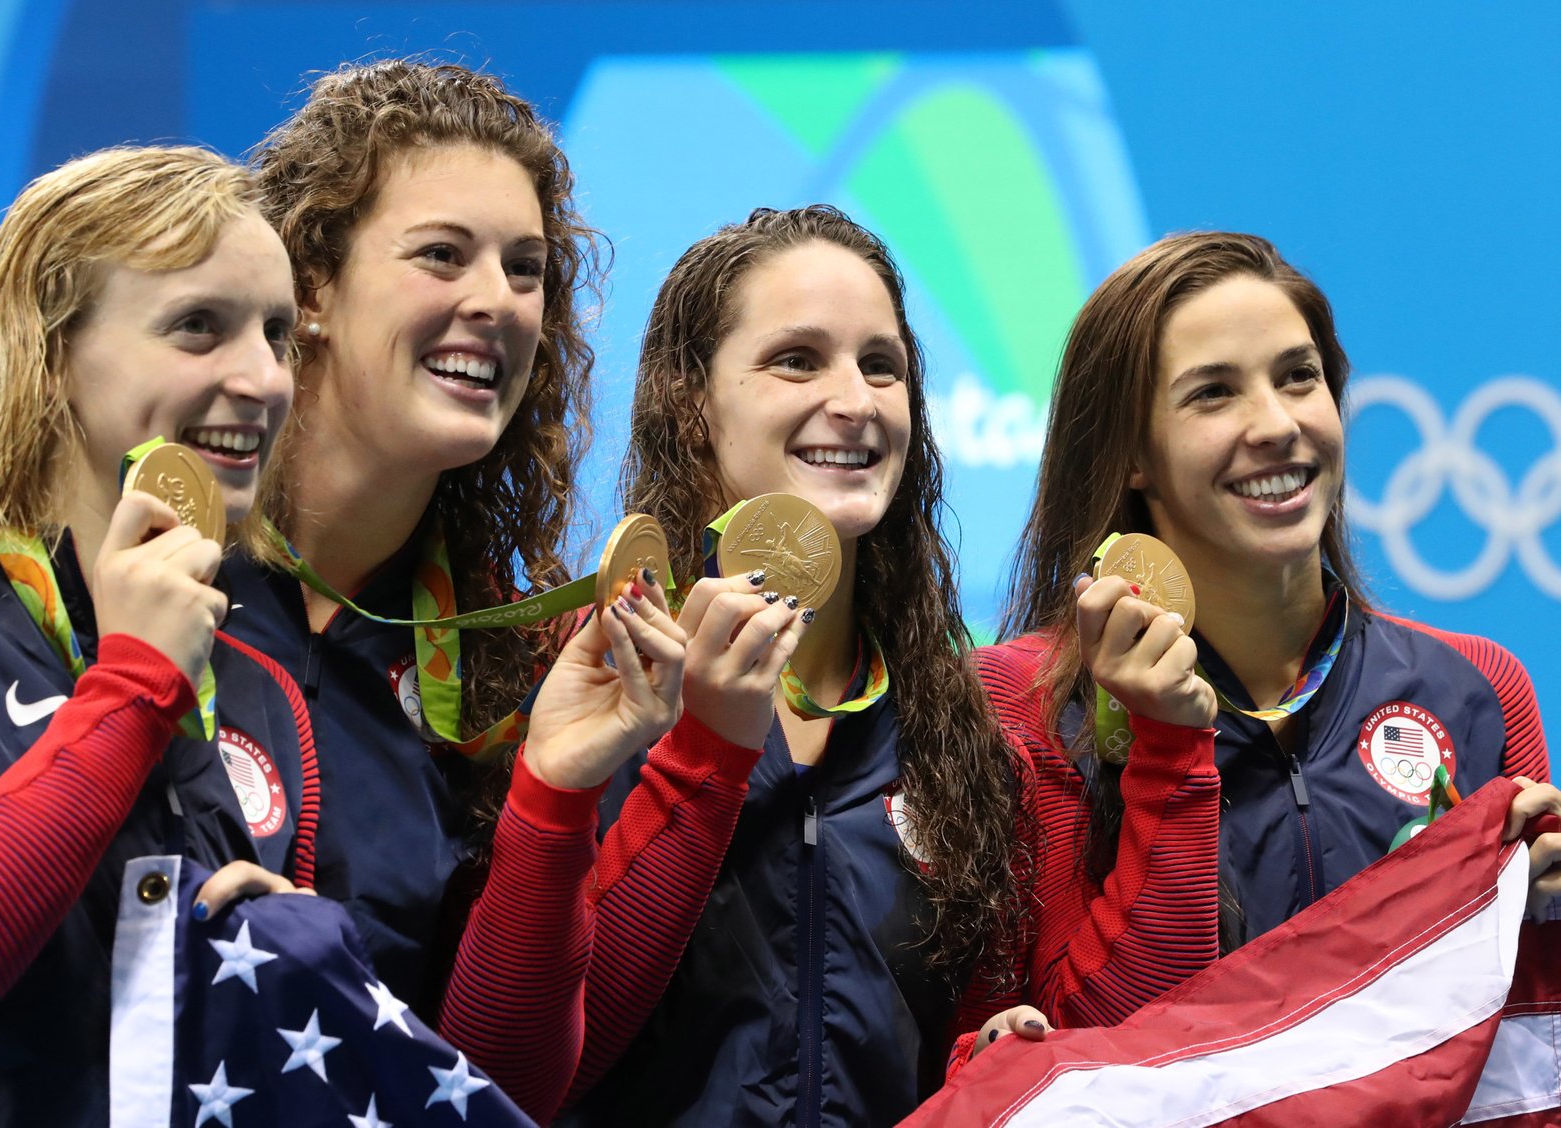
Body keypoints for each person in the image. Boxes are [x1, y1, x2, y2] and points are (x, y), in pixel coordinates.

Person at [0, 142, 683, 1127]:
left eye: (276, 335)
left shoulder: (250, 682)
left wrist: (273, 957)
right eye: (197, 328)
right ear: (50, 353)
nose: (262, 380)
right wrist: (132, 682)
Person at [554, 206, 1221, 1127]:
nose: (857, 401)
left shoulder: (972, 732)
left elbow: (1113, 1045)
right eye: (797, 359)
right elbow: (536, 1061)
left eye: (882, 365)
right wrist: (706, 751)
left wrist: (987, 1061)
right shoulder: (591, 689)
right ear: (691, 402)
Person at [225, 60, 773, 1121]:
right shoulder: (128, 590)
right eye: (441, 255)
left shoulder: (505, 668)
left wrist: (554, 792)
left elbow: (502, 1086)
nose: (496, 302)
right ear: (311, 291)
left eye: (525, 271)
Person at [982, 230, 1560, 970]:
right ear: (1129, 454)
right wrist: (1169, 751)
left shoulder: (1477, 685)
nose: (1279, 425)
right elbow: (1071, 1045)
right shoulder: (1022, 705)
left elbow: (1519, 1043)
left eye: (1298, 377)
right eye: (1214, 393)